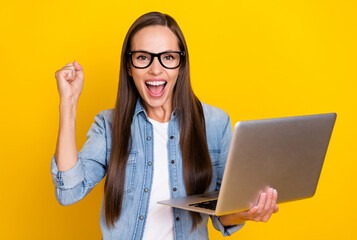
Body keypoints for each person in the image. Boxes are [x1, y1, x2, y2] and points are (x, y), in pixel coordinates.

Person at [51, 12, 279, 240]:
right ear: (129, 67)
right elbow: (68, 192)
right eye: (143, 57)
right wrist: (68, 103)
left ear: (181, 65)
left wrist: (246, 213)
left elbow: (223, 213)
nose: (156, 69)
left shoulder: (215, 123)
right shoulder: (109, 125)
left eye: (168, 57)